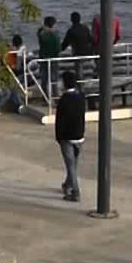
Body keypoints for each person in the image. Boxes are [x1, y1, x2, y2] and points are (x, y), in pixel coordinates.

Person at [56, 70, 87, 202]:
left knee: (70, 165)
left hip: (67, 137)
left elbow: (60, 121)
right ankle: (68, 184)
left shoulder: (64, 100)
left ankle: (75, 192)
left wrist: (59, 137)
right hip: (79, 135)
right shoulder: (81, 97)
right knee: (73, 164)